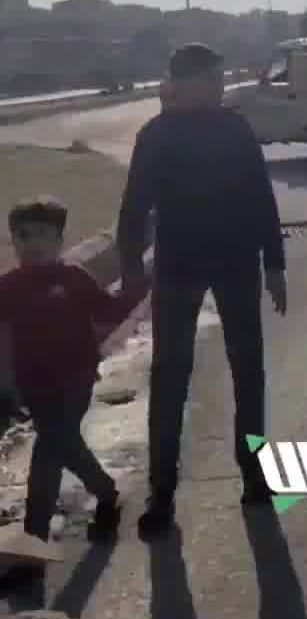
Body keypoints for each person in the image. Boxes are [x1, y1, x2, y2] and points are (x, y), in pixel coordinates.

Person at [116, 43, 287, 537]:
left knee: (248, 372)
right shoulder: (157, 135)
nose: (218, 86)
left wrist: (274, 262)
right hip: (178, 269)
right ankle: (161, 493)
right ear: (183, 81)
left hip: (236, 264)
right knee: (170, 379)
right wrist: (131, 267)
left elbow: (260, 195)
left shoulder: (234, 128)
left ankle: (254, 475)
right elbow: (134, 208)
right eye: (211, 78)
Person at [0, 196, 144, 586]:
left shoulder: (74, 278)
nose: (33, 244)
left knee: (48, 453)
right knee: (64, 447)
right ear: (13, 241)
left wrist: (135, 284)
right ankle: (106, 491)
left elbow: (109, 311)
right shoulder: (8, 286)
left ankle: (32, 545)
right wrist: (7, 383)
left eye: (43, 235)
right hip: (34, 385)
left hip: (75, 379)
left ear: (60, 239)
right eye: (23, 236)